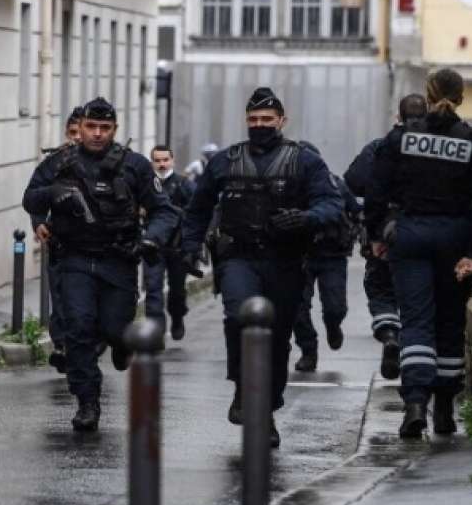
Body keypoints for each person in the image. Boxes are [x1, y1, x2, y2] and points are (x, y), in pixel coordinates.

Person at [182, 87, 343, 448]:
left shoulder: (304, 162)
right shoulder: (225, 160)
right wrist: (190, 247)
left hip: (285, 262)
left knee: (277, 339)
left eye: (266, 120)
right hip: (238, 258)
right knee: (240, 319)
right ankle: (242, 388)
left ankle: (267, 408)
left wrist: (304, 218)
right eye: (253, 120)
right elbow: (198, 208)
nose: (259, 126)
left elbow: (332, 205)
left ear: (282, 121)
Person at [22, 97, 179, 432]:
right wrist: (53, 195)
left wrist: (152, 239)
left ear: (114, 130)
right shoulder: (59, 162)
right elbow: (30, 198)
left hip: (117, 260)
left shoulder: (134, 165)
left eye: (104, 128)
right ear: (80, 128)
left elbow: (164, 211)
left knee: (114, 328)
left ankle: (122, 344)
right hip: (74, 258)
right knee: (78, 328)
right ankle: (87, 401)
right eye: (90, 127)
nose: (96, 134)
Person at [365, 69, 472, 438]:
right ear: (462, 97)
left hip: (410, 236)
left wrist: (376, 234)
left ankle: (415, 405)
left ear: (427, 93)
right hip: (454, 238)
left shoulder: (402, 137)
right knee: (449, 322)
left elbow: (376, 189)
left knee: (417, 320)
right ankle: (444, 412)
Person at [344, 93, 428, 380]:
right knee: (419, 295)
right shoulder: (436, 146)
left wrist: (374, 229)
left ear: (398, 118)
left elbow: (354, 181)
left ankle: (390, 334)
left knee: (380, 287)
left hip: (386, 232)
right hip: (427, 230)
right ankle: (415, 365)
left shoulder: (380, 146)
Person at [293, 168, 361, 372]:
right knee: (297, 308)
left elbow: (356, 211)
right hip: (300, 256)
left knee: (335, 307)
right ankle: (308, 351)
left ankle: (333, 326)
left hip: (332, 255)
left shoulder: (336, 185)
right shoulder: (291, 186)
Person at [144, 145, 196, 340]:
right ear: (152, 163)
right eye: (157, 160)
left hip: (178, 246)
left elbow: (198, 210)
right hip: (153, 246)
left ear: (172, 161)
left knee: (177, 290)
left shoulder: (184, 184)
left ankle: (177, 317)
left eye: (165, 160)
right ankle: (155, 332)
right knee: (153, 288)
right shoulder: (147, 185)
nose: (162, 164)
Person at [47, 106, 83, 374]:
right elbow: (36, 193)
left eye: (79, 133)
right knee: (59, 296)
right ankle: (61, 346)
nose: (76, 139)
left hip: (97, 246)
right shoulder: (56, 161)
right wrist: (38, 222)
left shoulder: (111, 160)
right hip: (62, 240)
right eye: (72, 133)